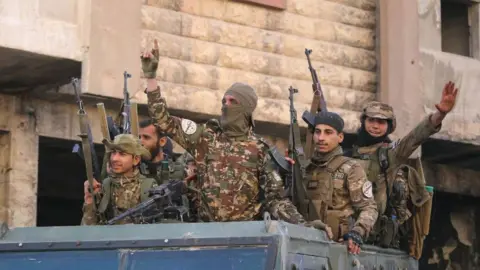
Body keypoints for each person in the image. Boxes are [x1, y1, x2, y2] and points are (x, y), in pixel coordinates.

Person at [139, 40, 305, 224]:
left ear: (247, 108)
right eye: (224, 101)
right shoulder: (205, 138)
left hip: (244, 239)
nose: (226, 106)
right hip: (207, 236)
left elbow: (275, 200)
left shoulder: (260, 150)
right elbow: (163, 121)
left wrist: (304, 225)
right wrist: (150, 77)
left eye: (233, 102)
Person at [347, 82, 459, 247]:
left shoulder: (391, 154)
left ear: (389, 127)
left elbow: (415, 138)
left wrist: (440, 115)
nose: (375, 126)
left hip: (374, 235)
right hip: (346, 231)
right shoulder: (348, 154)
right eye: (371, 120)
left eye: (381, 122)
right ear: (364, 122)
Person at [297, 111, 378, 254]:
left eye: (328, 132)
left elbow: (369, 207)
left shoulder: (351, 168)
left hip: (338, 248)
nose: (321, 138)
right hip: (305, 245)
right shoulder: (304, 169)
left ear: (340, 137)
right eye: (318, 132)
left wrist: (357, 232)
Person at [81, 134, 157, 225]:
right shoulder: (106, 186)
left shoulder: (147, 187)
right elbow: (88, 231)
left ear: (136, 159)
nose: (114, 158)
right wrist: (89, 201)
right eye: (113, 152)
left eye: (122, 154)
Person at [138, 119, 186, 184]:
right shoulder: (134, 168)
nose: (140, 142)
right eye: (139, 137)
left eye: (146, 137)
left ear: (162, 141)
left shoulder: (179, 168)